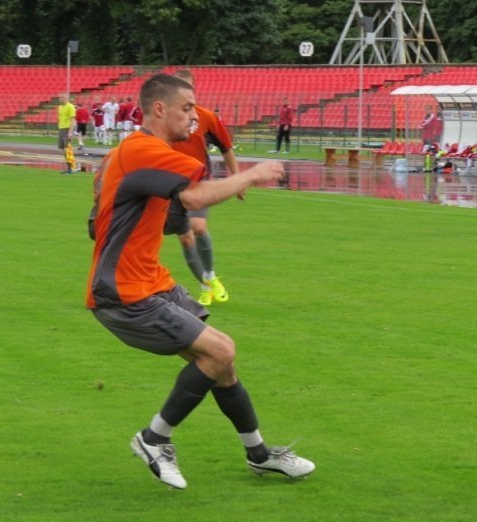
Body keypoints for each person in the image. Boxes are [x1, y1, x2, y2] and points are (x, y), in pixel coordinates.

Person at [86, 73, 315, 490]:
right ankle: (154, 439)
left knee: (221, 362)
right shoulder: (144, 149)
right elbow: (193, 196)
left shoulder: (127, 153)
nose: (195, 117)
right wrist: (251, 175)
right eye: (187, 108)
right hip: (125, 291)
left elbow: (97, 217)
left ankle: (260, 455)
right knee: (220, 350)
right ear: (159, 109)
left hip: (151, 281)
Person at [166, 68, 239, 306]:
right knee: (185, 240)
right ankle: (206, 284)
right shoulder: (165, 119)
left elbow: (226, 148)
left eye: (187, 88)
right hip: (170, 184)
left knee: (198, 227)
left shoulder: (206, 117)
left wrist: (237, 180)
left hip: (199, 181)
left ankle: (209, 275)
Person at [57, 94, 76, 174]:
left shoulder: (70, 106)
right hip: (61, 129)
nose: (61, 99)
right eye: (60, 97)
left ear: (67, 98)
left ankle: (70, 168)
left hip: (67, 129)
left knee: (67, 149)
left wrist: (70, 132)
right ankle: (68, 167)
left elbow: (72, 120)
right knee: (62, 149)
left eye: (63, 97)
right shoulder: (60, 107)